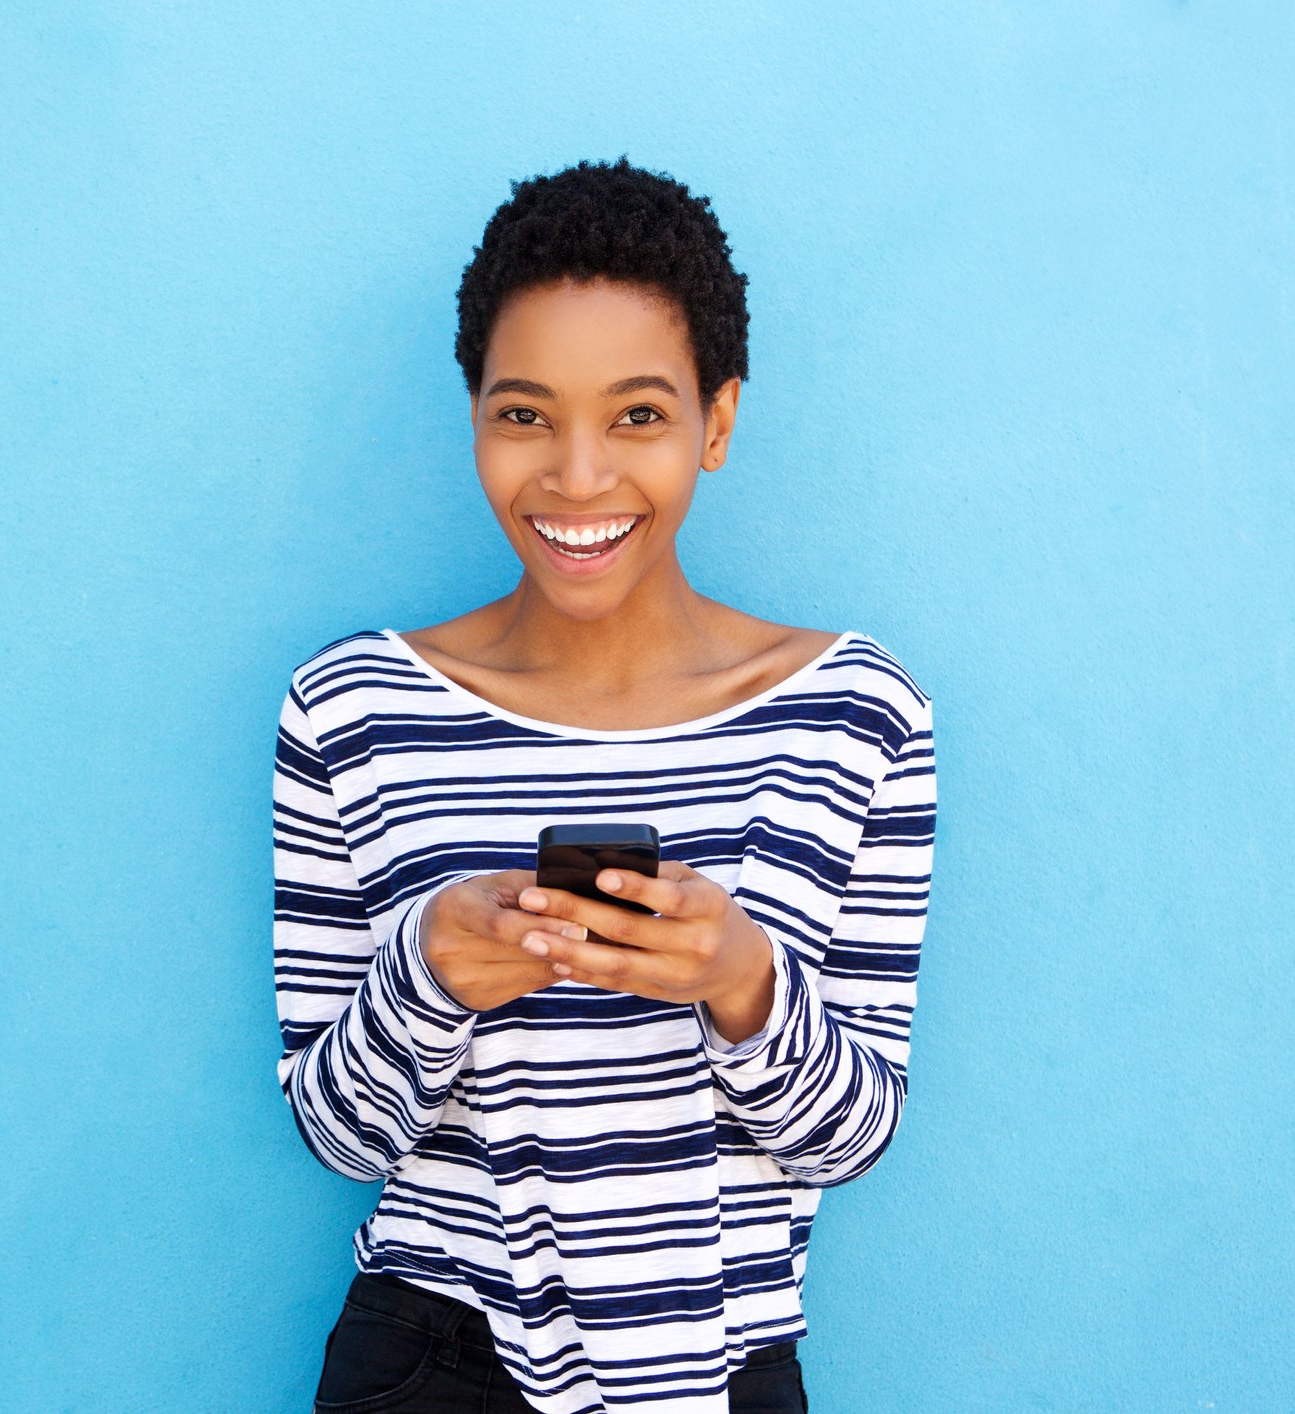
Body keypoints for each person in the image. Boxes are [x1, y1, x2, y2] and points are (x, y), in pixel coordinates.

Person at [272, 156, 936, 1414]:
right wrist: (431, 971)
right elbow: (338, 1134)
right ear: (475, 417)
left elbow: (851, 1139)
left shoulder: (856, 714)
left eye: (637, 415)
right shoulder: (352, 710)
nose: (578, 478)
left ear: (717, 422)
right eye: (525, 414)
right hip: (433, 1363)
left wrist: (740, 979)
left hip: (726, 1365)